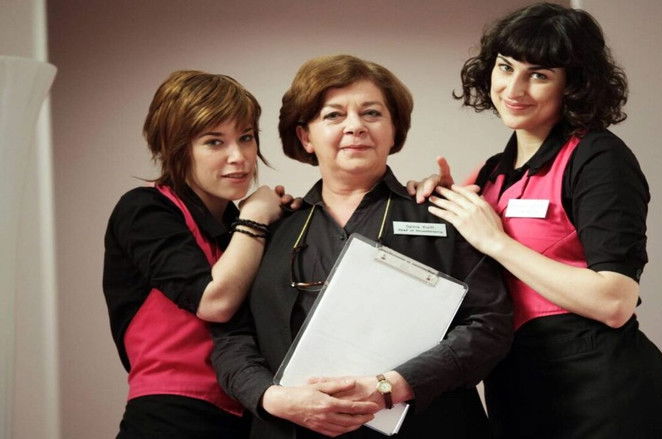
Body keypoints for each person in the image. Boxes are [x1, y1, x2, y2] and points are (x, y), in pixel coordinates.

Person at [408, 3, 662, 438]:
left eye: (539, 75)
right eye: (506, 67)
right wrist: (430, 202)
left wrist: (496, 241)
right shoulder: (491, 172)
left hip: (602, 394)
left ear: (574, 85)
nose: (514, 88)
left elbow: (615, 302)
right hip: (517, 390)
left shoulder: (598, 157)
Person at [210, 54, 513, 439]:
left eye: (371, 113)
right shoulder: (269, 229)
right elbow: (230, 338)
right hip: (292, 428)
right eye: (333, 115)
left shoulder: (445, 214)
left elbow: (490, 324)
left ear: (394, 130)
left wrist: (393, 386)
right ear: (305, 137)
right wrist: (271, 397)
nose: (355, 126)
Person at [103, 70, 296, 438]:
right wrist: (256, 217)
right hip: (171, 417)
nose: (239, 157)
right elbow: (214, 302)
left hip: (248, 414)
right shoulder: (145, 209)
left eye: (246, 138)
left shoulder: (237, 226)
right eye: (214, 142)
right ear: (177, 148)